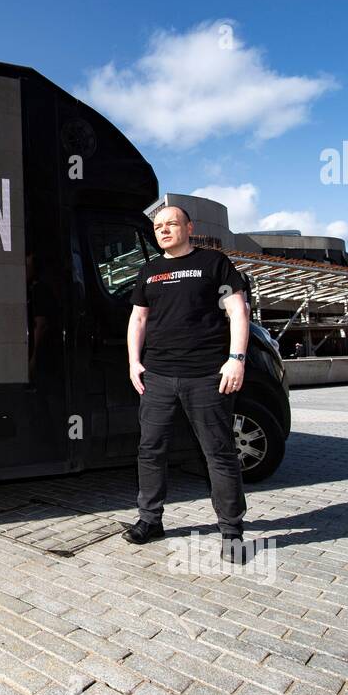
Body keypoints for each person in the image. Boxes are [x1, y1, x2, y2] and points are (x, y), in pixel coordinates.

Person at [122, 205, 252, 564]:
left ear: (189, 227)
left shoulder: (214, 262)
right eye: (158, 226)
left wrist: (236, 359)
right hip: (158, 376)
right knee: (150, 450)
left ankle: (231, 531)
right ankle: (150, 520)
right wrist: (134, 362)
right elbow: (138, 318)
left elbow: (238, 311)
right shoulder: (149, 271)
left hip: (207, 375)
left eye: (171, 224)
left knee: (218, 452)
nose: (164, 230)